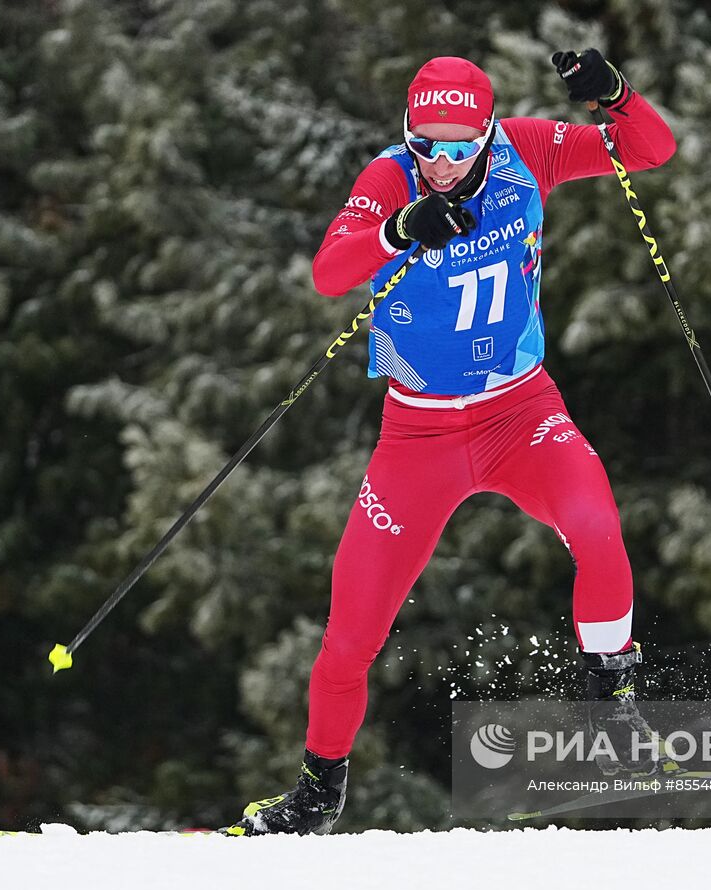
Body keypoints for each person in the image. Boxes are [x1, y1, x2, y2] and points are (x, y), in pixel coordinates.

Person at [225, 50, 677, 836]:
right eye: (424, 143)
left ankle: (616, 713)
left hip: (520, 413)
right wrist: (398, 228)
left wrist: (615, 96)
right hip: (418, 435)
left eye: (458, 146)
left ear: (489, 133)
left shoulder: (528, 152)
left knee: (601, 531)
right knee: (347, 635)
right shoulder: (389, 179)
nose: (439, 162)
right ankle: (316, 794)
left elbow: (651, 149)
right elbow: (331, 272)